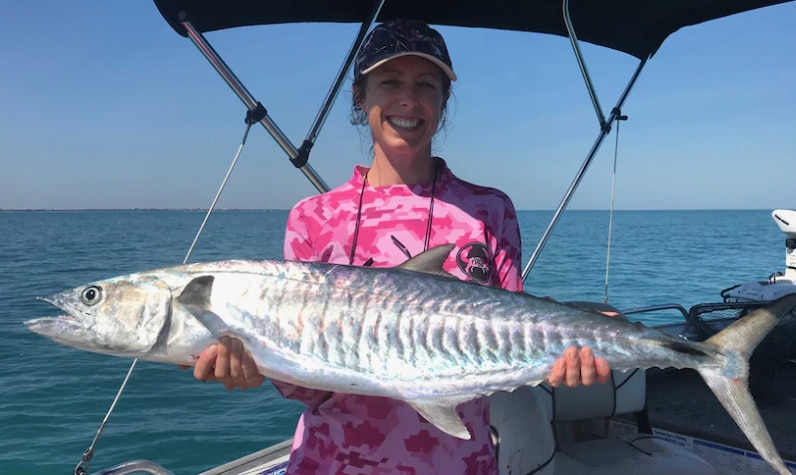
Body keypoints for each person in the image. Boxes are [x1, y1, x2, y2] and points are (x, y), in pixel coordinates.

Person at [188, 18, 611, 474]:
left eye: (426, 85)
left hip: (457, 462)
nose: (409, 99)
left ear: (443, 102)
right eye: (390, 82)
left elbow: (512, 330)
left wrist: (573, 343)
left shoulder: (488, 210)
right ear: (361, 96)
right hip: (331, 462)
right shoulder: (314, 218)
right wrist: (258, 367)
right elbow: (308, 380)